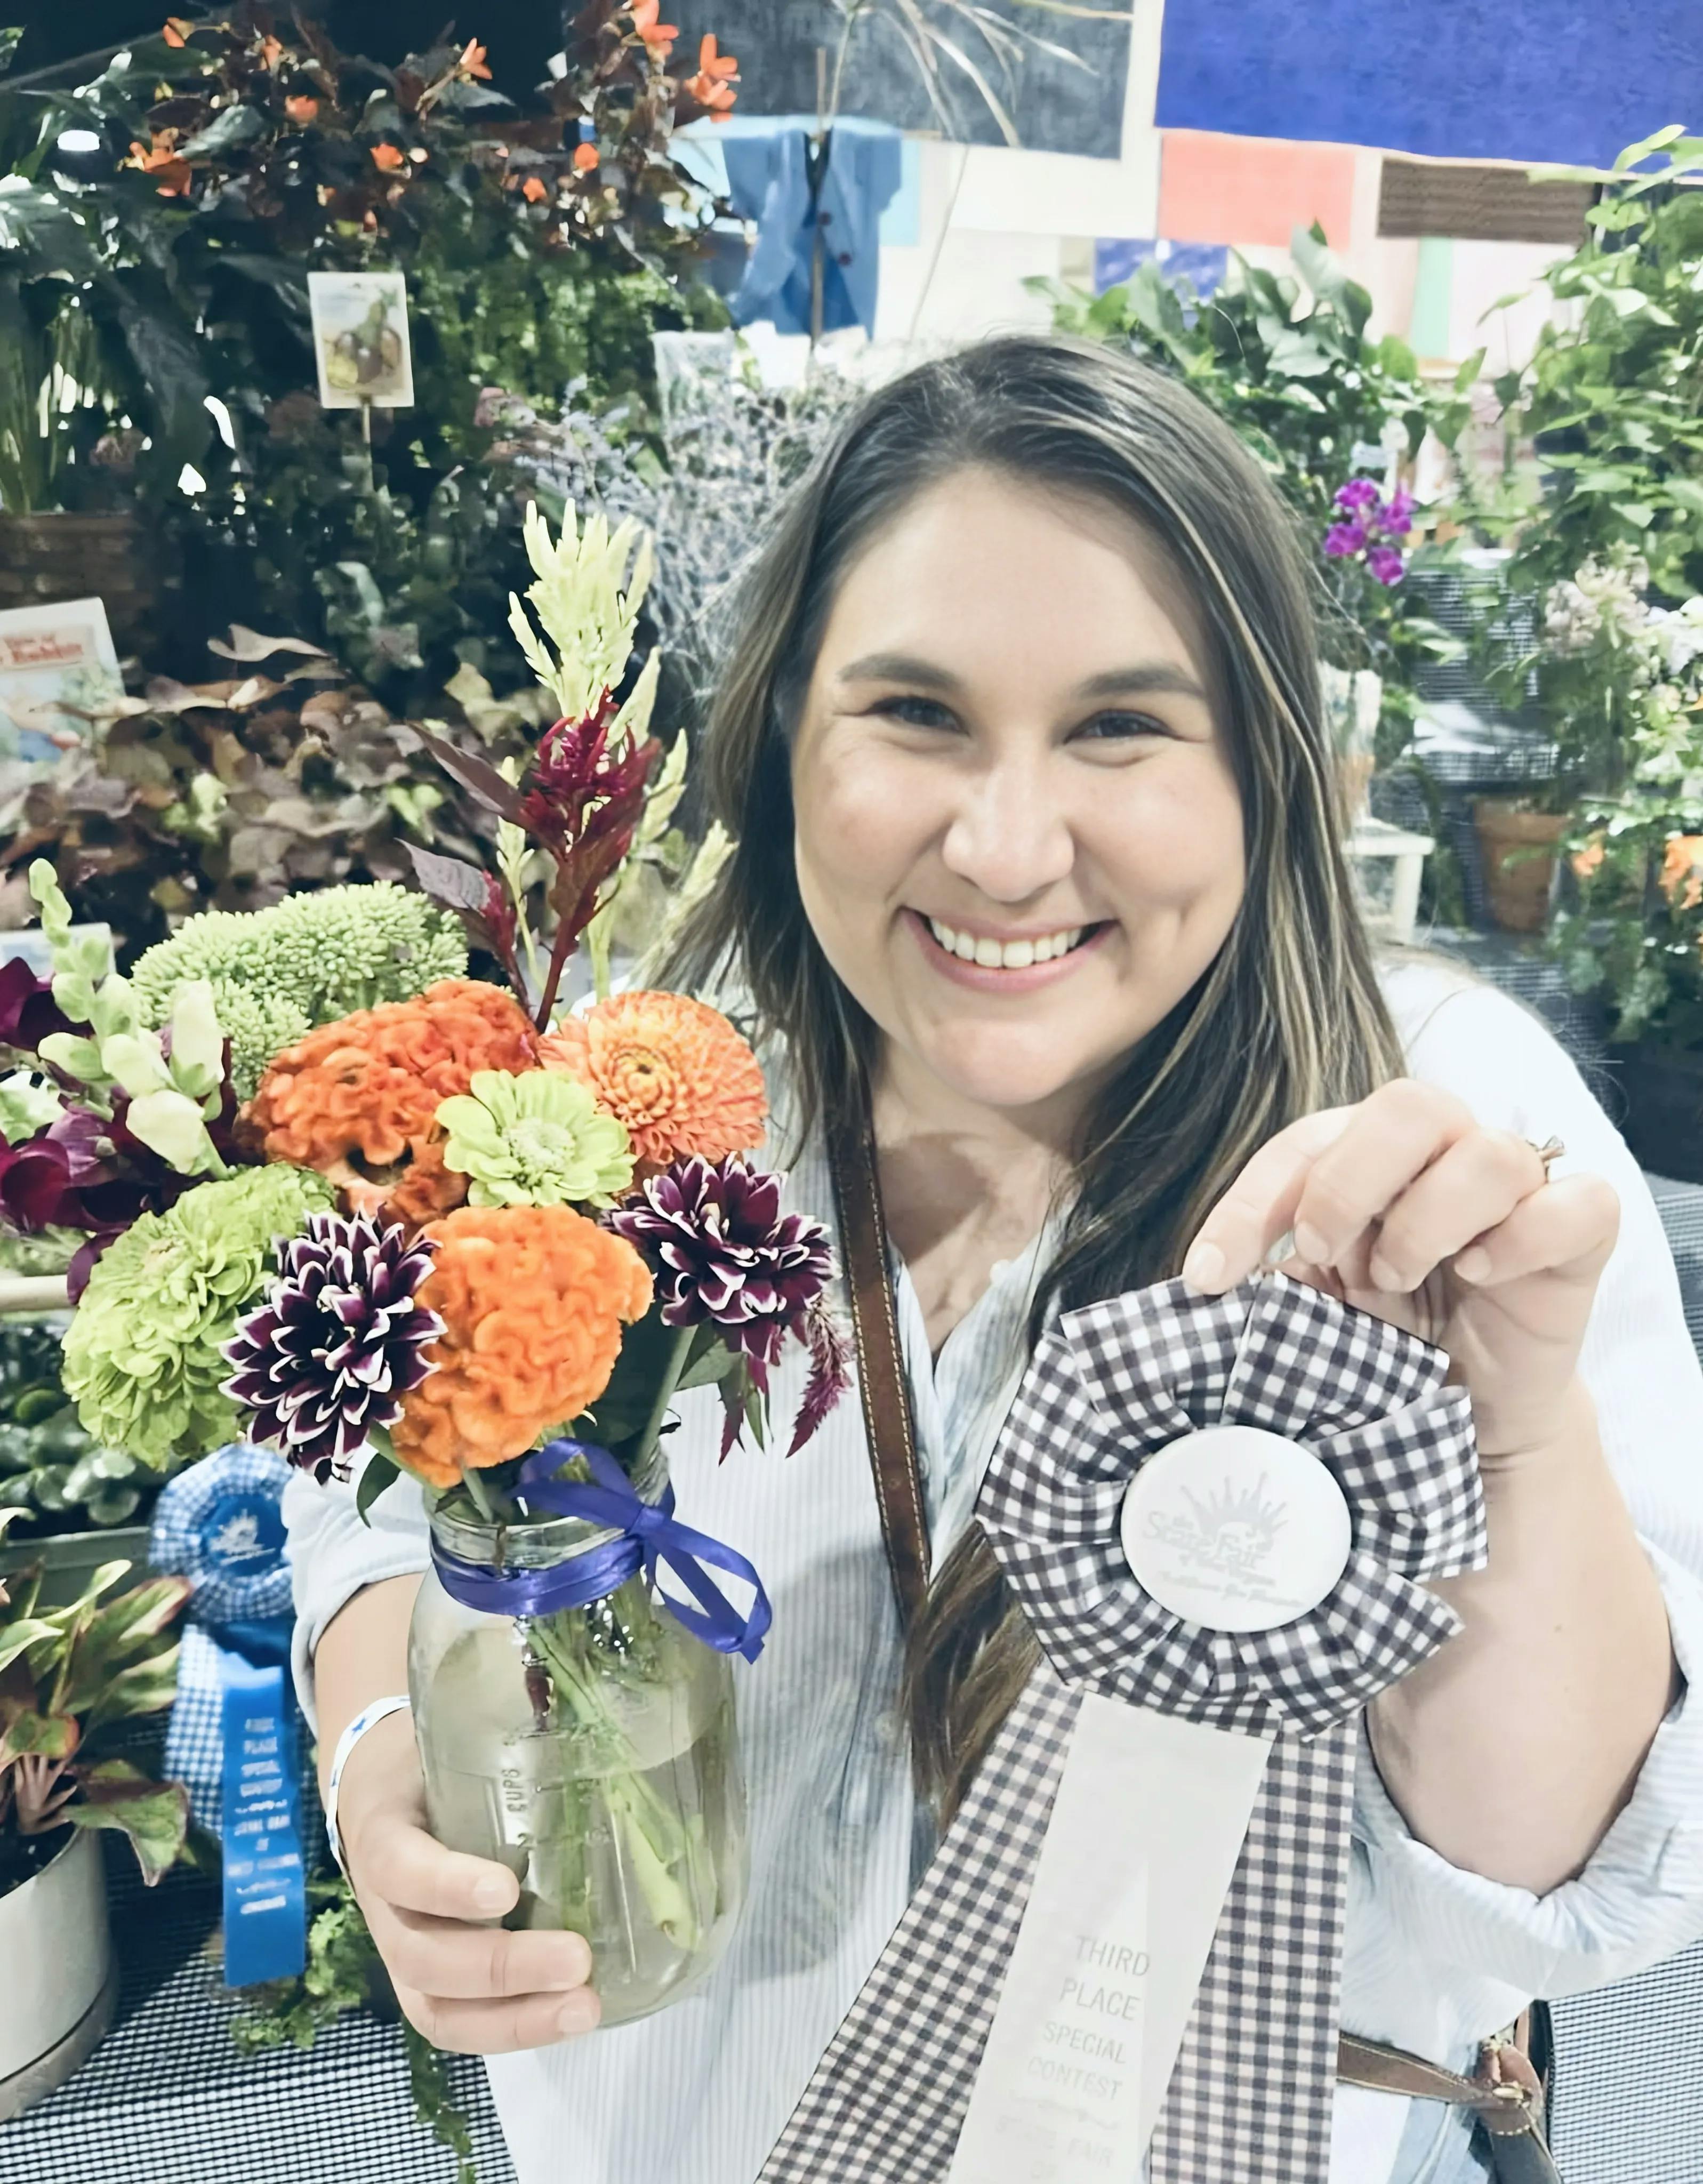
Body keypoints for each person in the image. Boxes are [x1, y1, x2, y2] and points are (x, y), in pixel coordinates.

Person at [287, 336, 1703, 2184]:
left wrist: (1510, 1434)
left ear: (1266, 766)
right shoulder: (633, 1103)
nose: (1007, 850)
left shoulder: (1439, 1135)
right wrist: (381, 1745)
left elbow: (1562, 1883)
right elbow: (386, 1497)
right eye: (915, 714)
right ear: (782, 733)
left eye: (1120, 726)